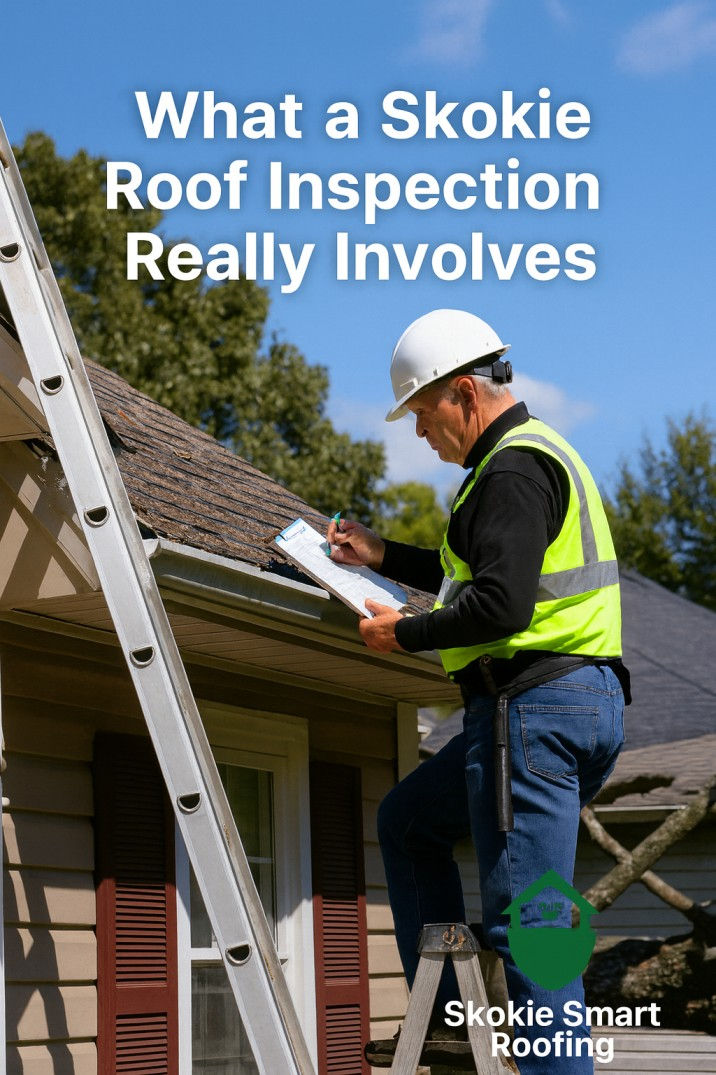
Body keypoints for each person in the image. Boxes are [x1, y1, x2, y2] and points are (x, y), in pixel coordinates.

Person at [326, 309, 628, 1075]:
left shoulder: (512, 471)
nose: (422, 434)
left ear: (464, 391)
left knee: (531, 929)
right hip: (568, 702)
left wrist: (404, 633)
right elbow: (482, 573)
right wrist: (383, 552)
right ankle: (450, 1017)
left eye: (425, 415)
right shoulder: (525, 460)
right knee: (408, 822)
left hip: (531, 708)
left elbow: (500, 606)